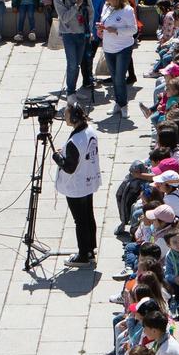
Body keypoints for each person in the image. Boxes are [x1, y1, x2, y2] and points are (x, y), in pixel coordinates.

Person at [53, 101, 101, 268]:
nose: (64, 117)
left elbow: (69, 167)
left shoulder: (75, 140)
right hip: (88, 180)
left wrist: (57, 158)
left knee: (80, 220)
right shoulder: (90, 131)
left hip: (77, 185)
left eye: (66, 115)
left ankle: (82, 255)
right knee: (88, 216)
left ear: (73, 117)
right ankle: (89, 249)